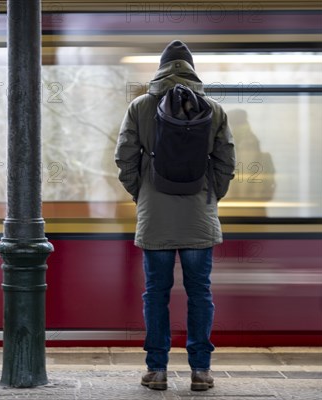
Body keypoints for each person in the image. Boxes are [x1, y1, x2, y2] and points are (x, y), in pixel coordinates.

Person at [114, 41, 236, 391]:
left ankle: (157, 370)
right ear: (192, 69)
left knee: (156, 293)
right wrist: (210, 195)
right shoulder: (213, 108)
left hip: (156, 217)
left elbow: (124, 158)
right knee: (200, 292)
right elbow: (226, 162)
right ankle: (201, 371)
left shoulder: (139, 106)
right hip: (199, 214)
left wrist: (143, 193)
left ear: (160, 69)